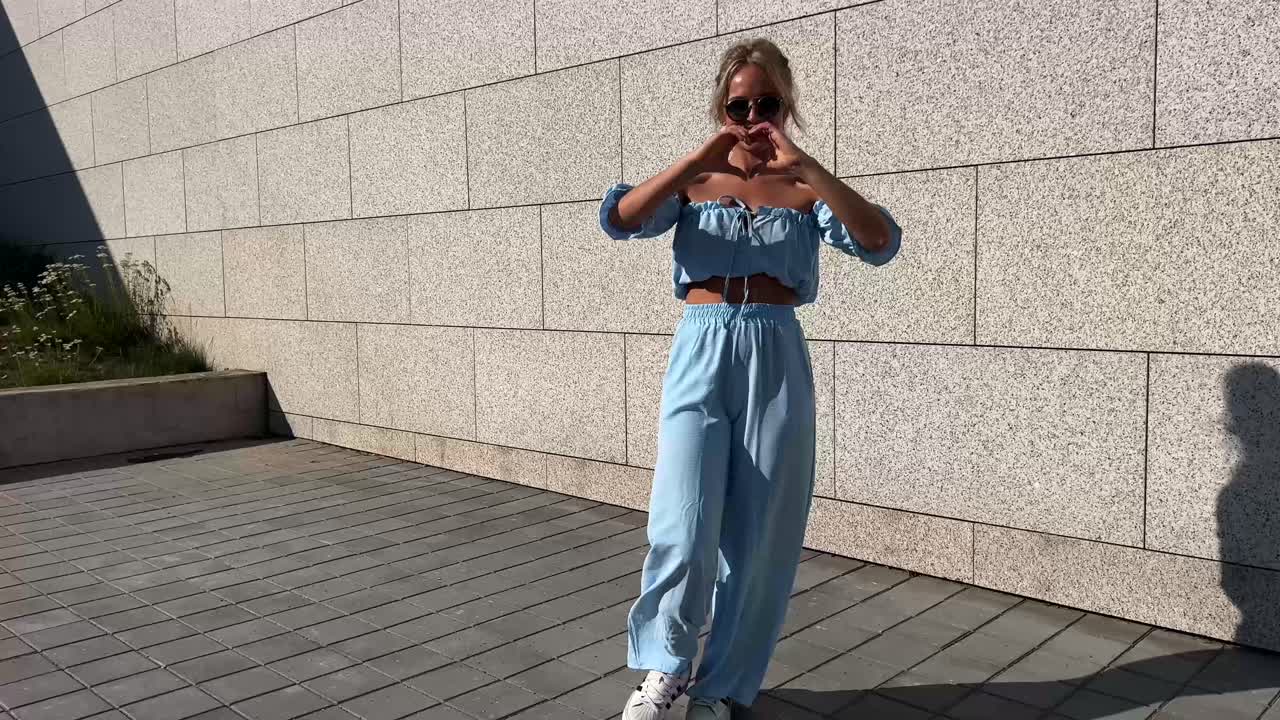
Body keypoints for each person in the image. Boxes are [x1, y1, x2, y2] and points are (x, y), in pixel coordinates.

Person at [599, 38, 903, 720]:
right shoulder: (695, 183)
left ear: (786, 106)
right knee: (682, 520)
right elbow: (621, 220)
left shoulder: (804, 189)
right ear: (722, 108)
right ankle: (667, 666)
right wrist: (695, 160)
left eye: (768, 104)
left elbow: (879, 241)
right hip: (701, 345)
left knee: (762, 534)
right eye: (740, 106)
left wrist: (809, 167)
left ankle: (723, 687)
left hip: (775, 351)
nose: (754, 117)